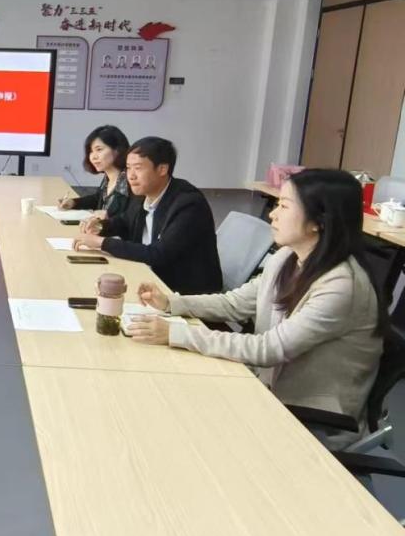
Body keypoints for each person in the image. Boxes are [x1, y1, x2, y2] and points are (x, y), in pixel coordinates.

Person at [127, 169, 384, 450]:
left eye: (284, 206)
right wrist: (173, 303)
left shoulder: (342, 285)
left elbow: (269, 349)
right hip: (268, 392)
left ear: (318, 222)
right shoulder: (287, 258)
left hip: (310, 422)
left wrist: (176, 334)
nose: (273, 214)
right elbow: (235, 304)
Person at [73, 136, 222, 295]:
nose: (131, 176)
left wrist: (102, 243)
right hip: (149, 277)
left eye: (138, 168)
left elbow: (159, 254)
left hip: (183, 293)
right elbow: (125, 222)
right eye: (128, 168)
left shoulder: (189, 204)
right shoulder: (144, 193)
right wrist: (100, 226)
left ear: (162, 169)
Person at [58, 125, 131, 220]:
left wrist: (109, 216)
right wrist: (73, 202)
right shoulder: (108, 177)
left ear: (117, 150)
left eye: (99, 149)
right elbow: (97, 199)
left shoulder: (131, 180)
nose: (93, 157)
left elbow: (133, 216)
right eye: (91, 151)